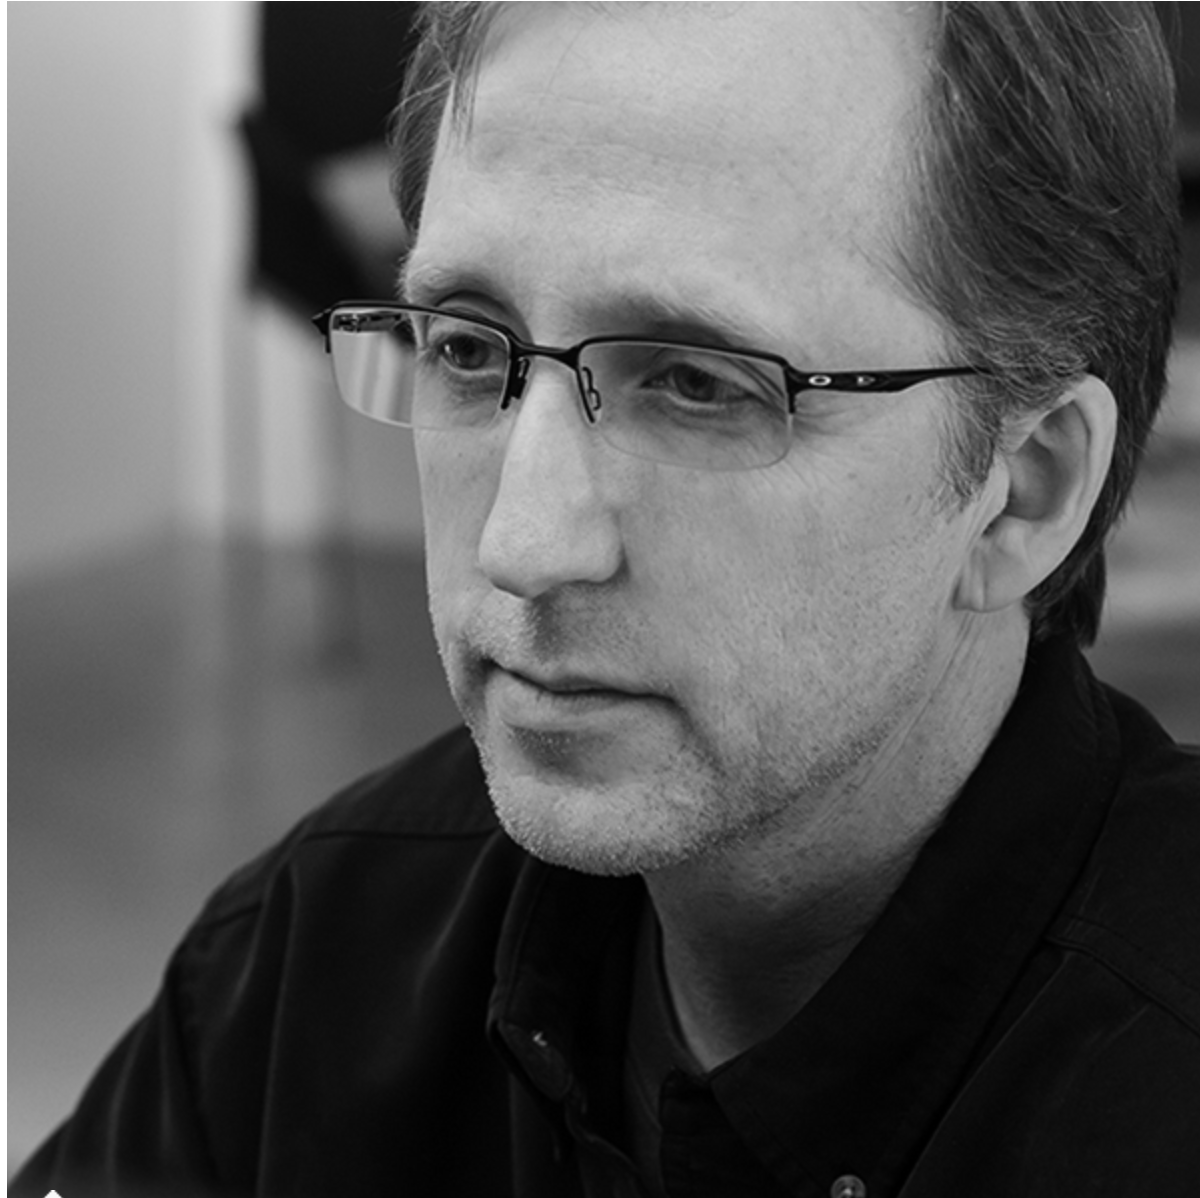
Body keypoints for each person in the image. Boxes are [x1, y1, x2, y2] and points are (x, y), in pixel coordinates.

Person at [12, 3, 1199, 1196]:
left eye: (696, 383)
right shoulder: (314, 964)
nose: (521, 544)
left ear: (1021, 492)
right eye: (469, 350)